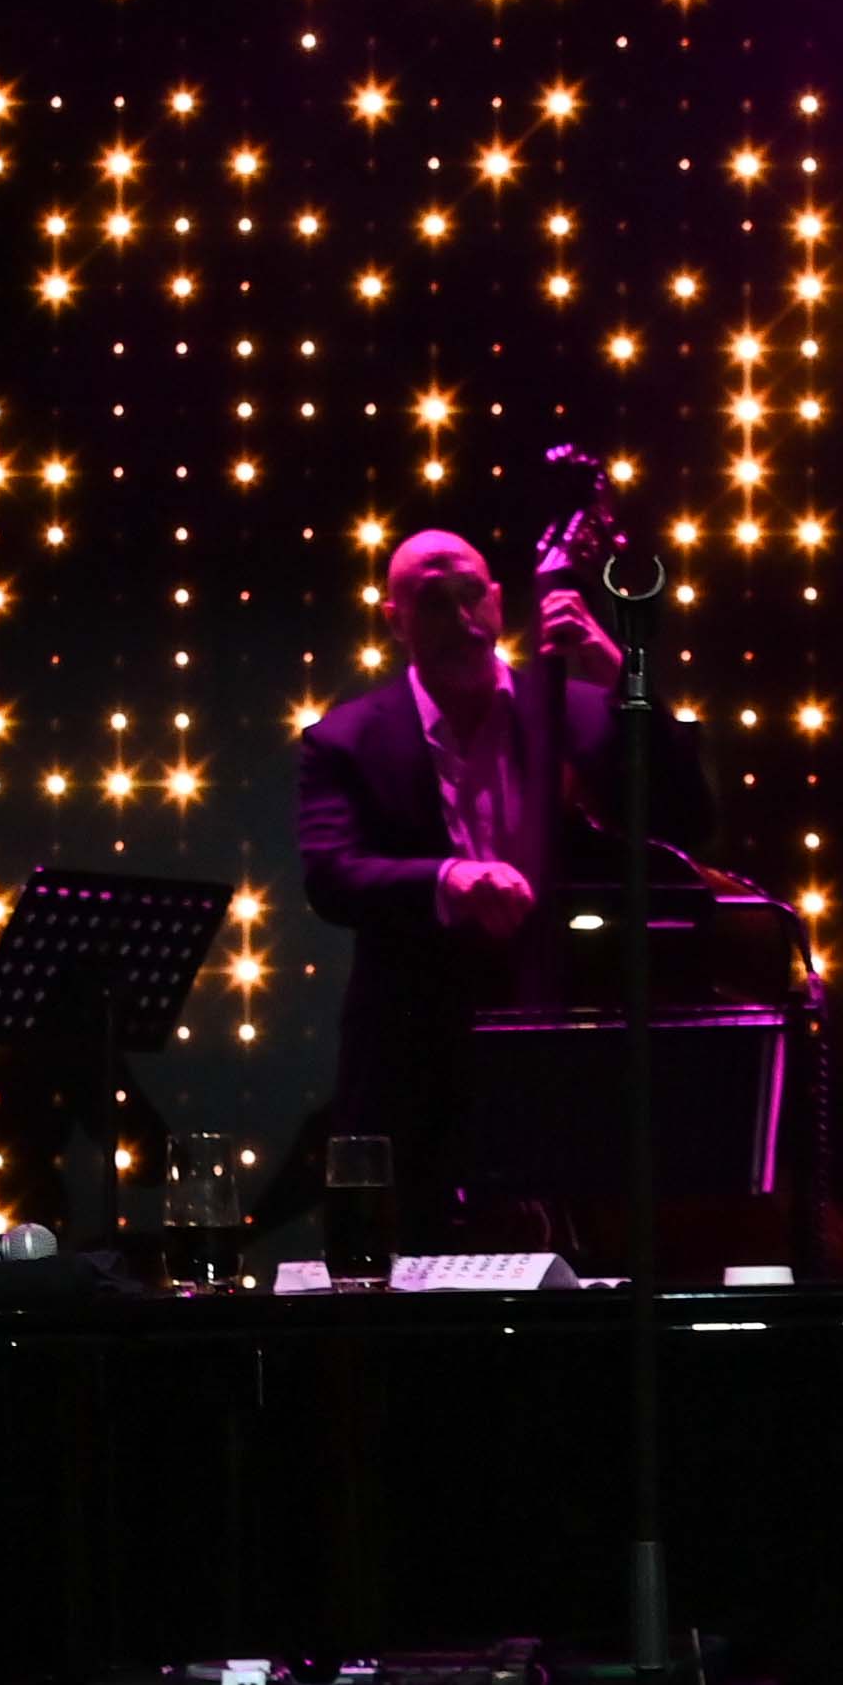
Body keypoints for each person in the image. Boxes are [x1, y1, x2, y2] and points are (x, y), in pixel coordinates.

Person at [290, 528, 629, 1240]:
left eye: (471, 594)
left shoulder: (579, 707)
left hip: (568, 1041)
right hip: (412, 1056)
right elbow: (332, 875)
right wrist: (449, 880)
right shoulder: (342, 740)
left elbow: (688, 816)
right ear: (396, 619)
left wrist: (622, 677)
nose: (460, 618)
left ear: (499, 601)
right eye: (433, 601)